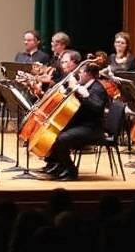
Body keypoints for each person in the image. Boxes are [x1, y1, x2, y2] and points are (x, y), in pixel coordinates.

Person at [40, 50, 109, 181]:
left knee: (62, 138)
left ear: (89, 74)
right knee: (54, 133)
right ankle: (59, 165)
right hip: (81, 124)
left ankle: (71, 170)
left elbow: (96, 108)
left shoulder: (97, 88)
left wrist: (84, 95)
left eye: (82, 72)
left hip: (92, 128)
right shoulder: (84, 85)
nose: (79, 74)